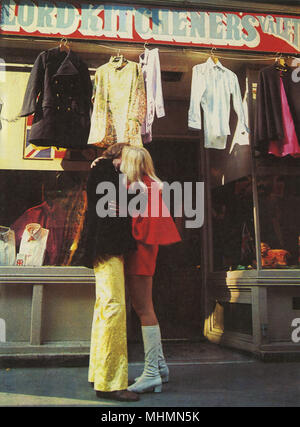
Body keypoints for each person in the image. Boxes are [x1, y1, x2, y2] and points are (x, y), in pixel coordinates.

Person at [119, 146, 182, 394]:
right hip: (147, 250)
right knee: (146, 308)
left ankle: (151, 373)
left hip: (139, 251)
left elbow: (137, 225)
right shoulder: (152, 185)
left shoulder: (137, 188)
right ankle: (160, 366)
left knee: (143, 309)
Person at [81, 143, 139, 402]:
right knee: (114, 309)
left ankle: (101, 374)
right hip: (108, 248)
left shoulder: (104, 172)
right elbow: (115, 211)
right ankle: (112, 382)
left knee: (105, 309)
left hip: (104, 248)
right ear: (118, 157)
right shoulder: (107, 173)